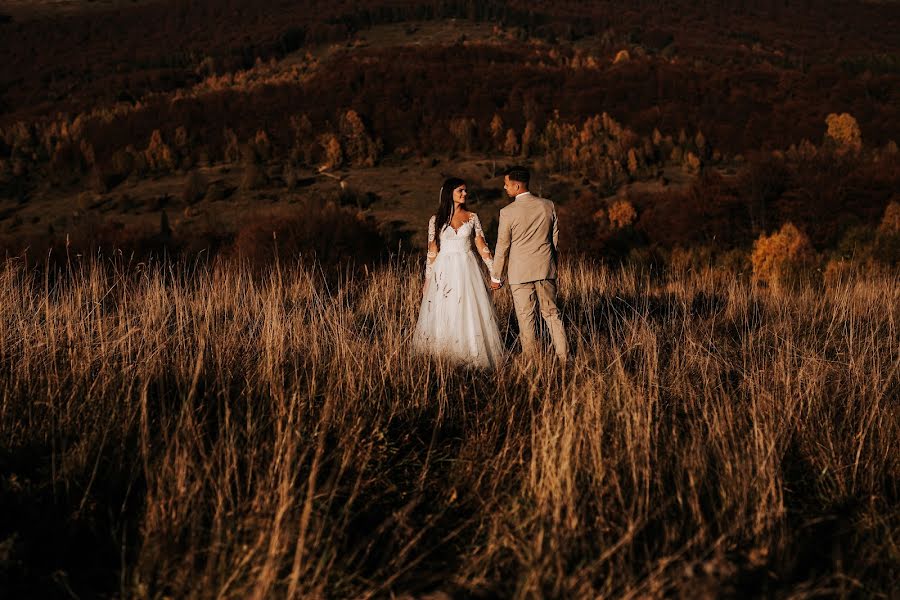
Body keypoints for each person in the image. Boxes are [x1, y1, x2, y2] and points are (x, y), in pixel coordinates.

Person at [412, 177, 505, 369]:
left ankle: (472, 357)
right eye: (460, 191)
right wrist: (427, 280)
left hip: (466, 268)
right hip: (443, 270)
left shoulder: (472, 217)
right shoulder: (435, 220)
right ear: (449, 193)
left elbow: (482, 246)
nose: (465, 194)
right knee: (444, 309)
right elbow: (432, 251)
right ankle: (443, 357)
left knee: (469, 309)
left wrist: (494, 271)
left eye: (465, 190)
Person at [490, 166, 569, 362]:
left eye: (507, 184)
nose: (505, 187)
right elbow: (555, 238)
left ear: (517, 185)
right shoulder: (547, 205)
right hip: (545, 268)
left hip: (519, 272)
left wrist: (496, 276)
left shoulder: (507, 212)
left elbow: (502, 246)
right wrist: (551, 262)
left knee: (526, 318)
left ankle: (532, 361)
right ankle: (564, 358)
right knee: (552, 314)